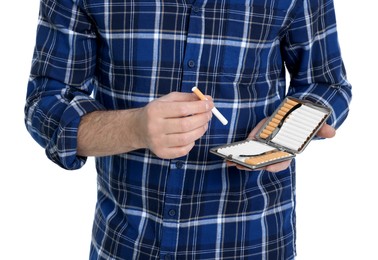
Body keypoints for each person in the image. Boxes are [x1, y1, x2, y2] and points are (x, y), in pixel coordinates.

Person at [24, 0, 352, 259]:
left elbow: (327, 84)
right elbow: (46, 104)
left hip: (252, 239)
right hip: (128, 244)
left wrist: (283, 133)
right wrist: (135, 128)